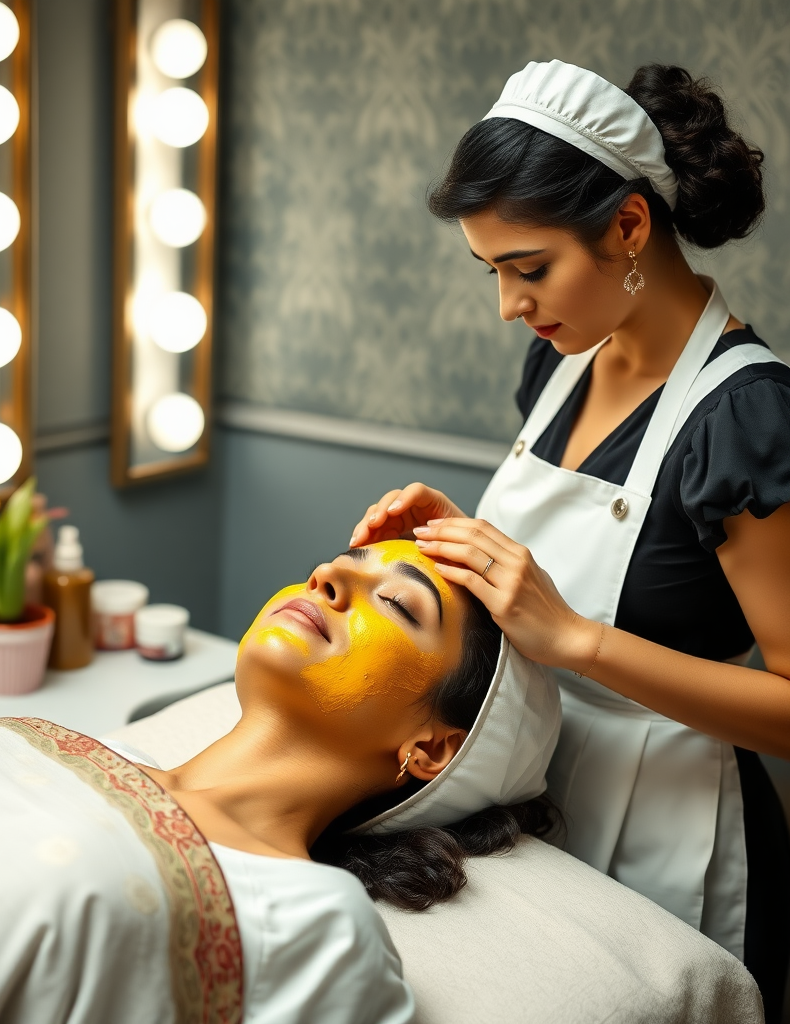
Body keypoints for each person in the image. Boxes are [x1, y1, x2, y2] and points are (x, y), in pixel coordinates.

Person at [351, 60, 790, 1021]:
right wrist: (459, 543)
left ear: (629, 226)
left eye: (529, 267)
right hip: (538, 803)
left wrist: (578, 639)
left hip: (678, 831)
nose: (510, 305)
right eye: (493, 271)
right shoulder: (558, 368)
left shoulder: (745, 416)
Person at [0, 540, 559, 1024]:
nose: (326, 577)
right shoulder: (59, 745)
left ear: (431, 748)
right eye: (341, 563)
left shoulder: (310, 922)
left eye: (394, 600)